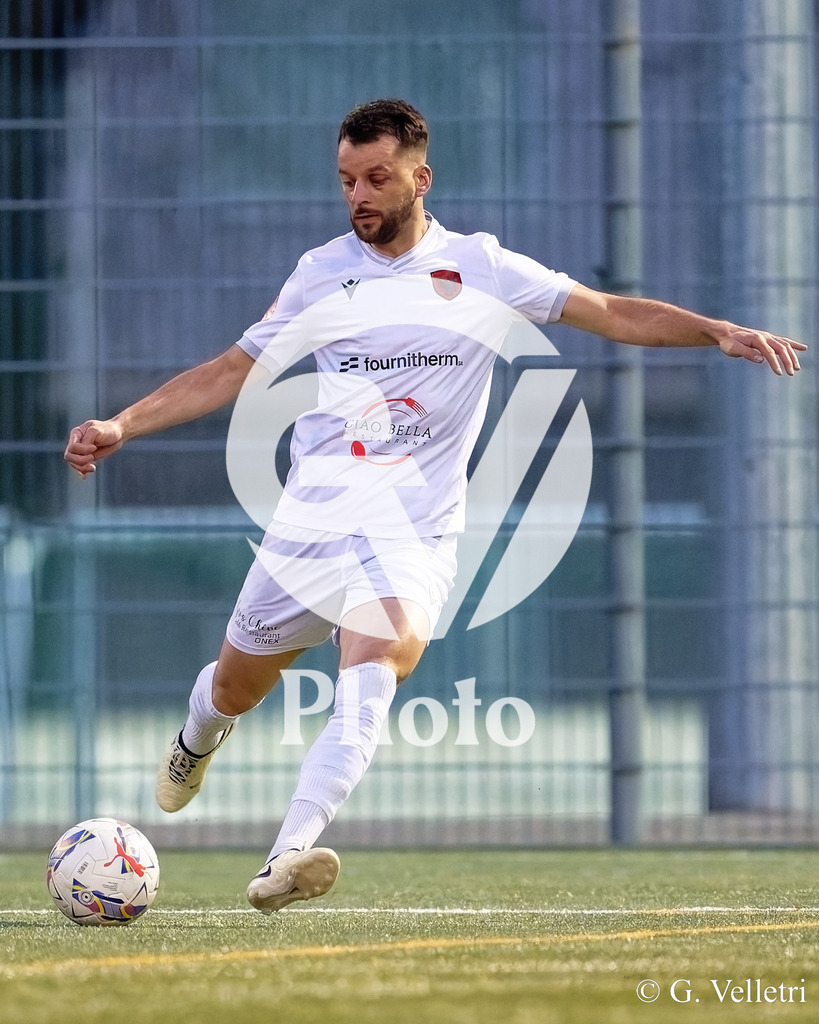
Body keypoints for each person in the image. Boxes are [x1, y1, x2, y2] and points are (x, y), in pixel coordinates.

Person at [63, 98, 806, 914]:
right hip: (313, 520)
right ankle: (198, 736)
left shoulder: (480, 266)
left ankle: (289, 853)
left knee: (375, 664)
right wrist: (121, 423)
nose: (359, 196)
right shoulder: (320, 272)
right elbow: (225, 371)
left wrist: (714, 331)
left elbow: (609, 310)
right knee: (238, 687)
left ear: (421, 177)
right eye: (347, 180)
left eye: (376, 178)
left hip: (414, 529)